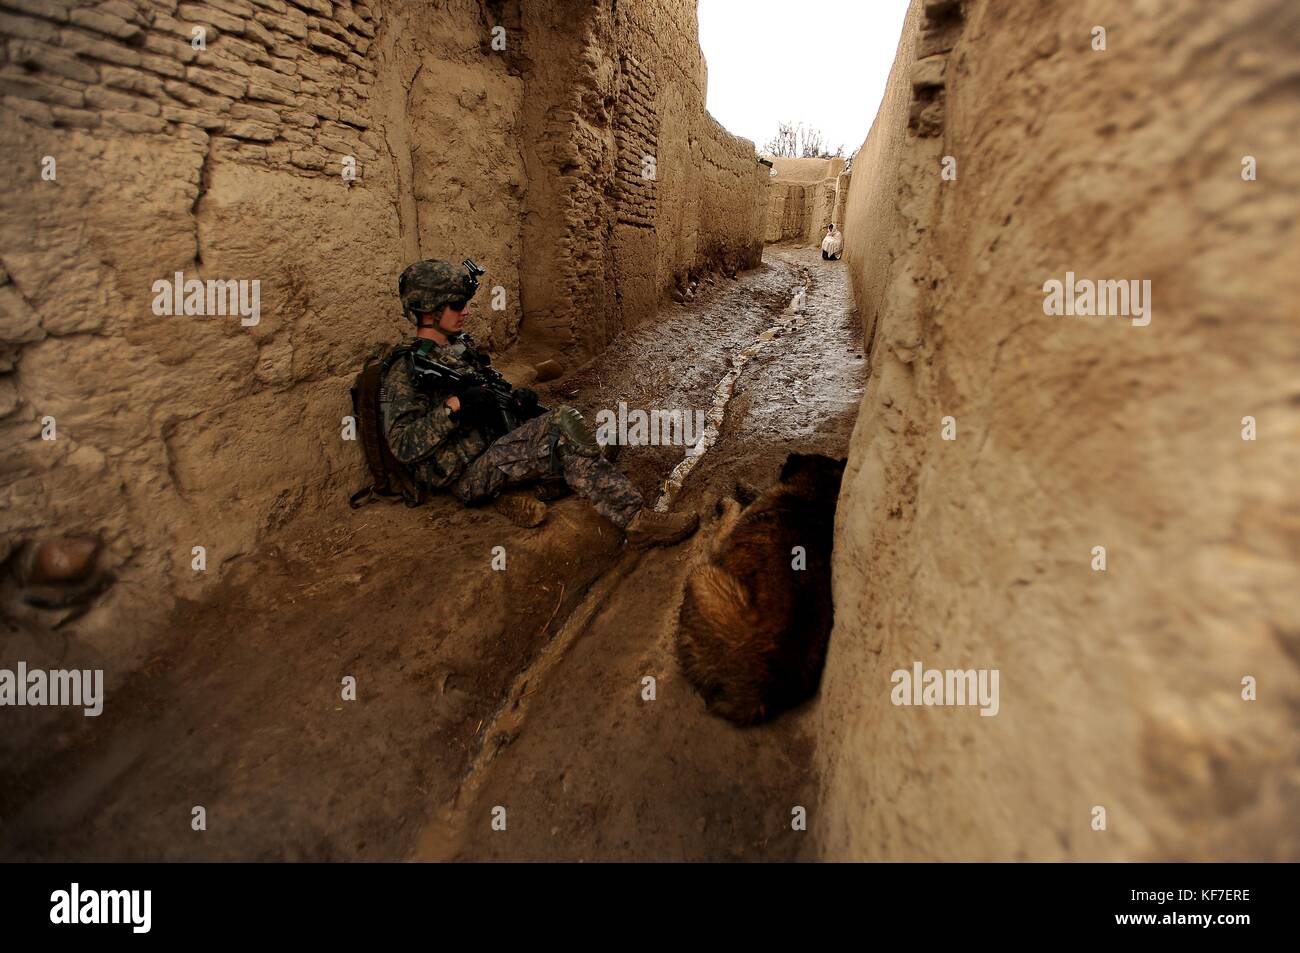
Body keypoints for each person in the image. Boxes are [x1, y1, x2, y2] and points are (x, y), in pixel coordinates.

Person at [381, 259, 698, 546]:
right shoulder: (406, 370)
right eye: (457, 305)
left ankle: (528, 491)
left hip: (492, 447)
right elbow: (402, 445)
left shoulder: (458, 348)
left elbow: (490, 389)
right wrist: (453, 407)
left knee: (596, 437)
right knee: (563, 426)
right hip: (464, 473)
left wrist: (515, 400)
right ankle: (635, 520)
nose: (465, 311)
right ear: (429, 310)